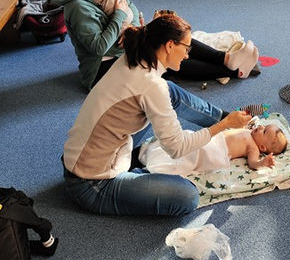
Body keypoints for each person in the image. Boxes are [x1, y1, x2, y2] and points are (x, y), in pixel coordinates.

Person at [62, 12, 253, 216]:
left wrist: (225, 122)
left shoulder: (133, 57)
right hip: (92, 184)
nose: (187, 55)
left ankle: (224, 117)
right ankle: (139, 173)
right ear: (170, 45)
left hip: (78, 158)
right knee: (188, 196)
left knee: (169, 90)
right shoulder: (151, 85)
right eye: (187, 48)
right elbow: (177, 148)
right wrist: (223, 127)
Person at [51, 0, 259, 90]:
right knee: (163, 52)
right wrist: (120, 17)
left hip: (118, 46)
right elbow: (98, 47)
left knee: (168, 30)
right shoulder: (78, 7)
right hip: (101, 70)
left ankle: (225, 59)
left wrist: (131, 26)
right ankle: (232, 70)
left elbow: (124, 6)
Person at [141, 121, 288, 176]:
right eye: (264, 126)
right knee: (189, 136)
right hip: (214, 139)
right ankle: (161, 151)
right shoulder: (249, 131)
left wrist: (262, 163)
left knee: (194, 152)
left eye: (264, 131)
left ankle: (159, 164)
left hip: (217, 150)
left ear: (262, 146)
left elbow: (253, 163)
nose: (261, 126)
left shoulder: (253, 148)